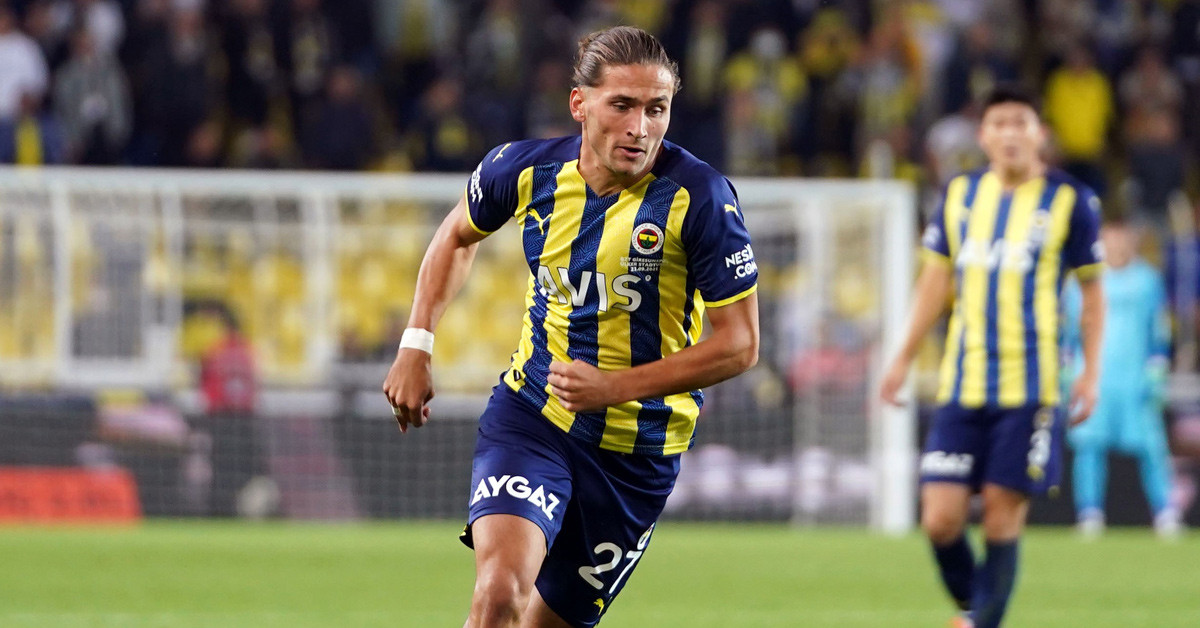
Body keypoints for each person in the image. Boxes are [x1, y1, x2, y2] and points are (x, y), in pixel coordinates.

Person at [382, 26, 759, 628]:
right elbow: (457, 234)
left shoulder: (701, 197)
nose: (640, 128)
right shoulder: (523, 169)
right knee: (499, 594)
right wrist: (416, 342)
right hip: (535, 415)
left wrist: (615, 388)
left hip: (638, 456)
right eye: (622, 105)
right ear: (580, 104)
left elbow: (740, 345)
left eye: (656, 109)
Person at [880, 85, 1105, 628]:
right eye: (999, 124)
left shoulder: (1072, 201)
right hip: (963, 383)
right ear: (982, 136)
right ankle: (976, 612)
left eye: (1020, 123)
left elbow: (1093, 293)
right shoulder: (960, 194)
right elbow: (935, 281)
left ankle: (979, 622)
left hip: (1031, 388)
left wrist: (1090, 373)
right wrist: (902, 356)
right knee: (940, 520)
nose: (1010, 134)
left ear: (1039, 133)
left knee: (1002, 516)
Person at [1061, 217, 1179, 538]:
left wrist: (1156, 371)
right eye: (1109, 239)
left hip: (1135, 381)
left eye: (1122, 239)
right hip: (1092, 379)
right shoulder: (1081, 281)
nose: (1116, 245)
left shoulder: (1148, 280)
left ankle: (1166, 512)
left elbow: (1159, 331)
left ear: (1132, 241)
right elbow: (1068, 332)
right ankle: (1089, 513)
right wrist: (1067, 371)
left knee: (1152, 448)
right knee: (1088, 446)